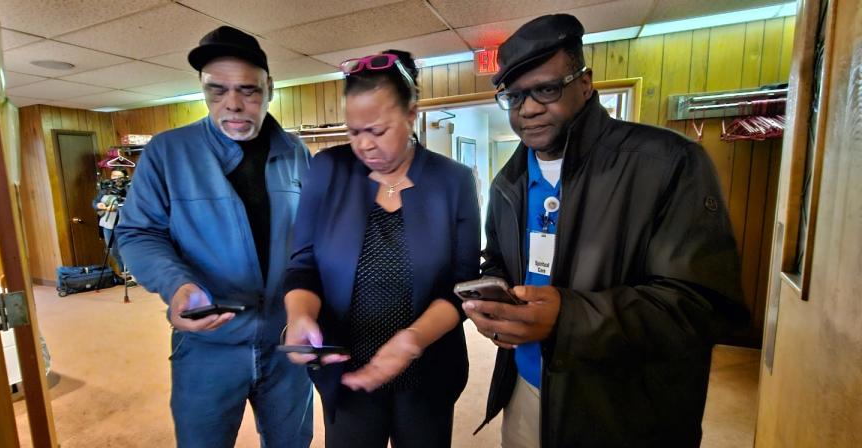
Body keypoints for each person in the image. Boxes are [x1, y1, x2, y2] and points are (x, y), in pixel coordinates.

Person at [463, 14, 749, 447]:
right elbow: (500, 260)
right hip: (524, 391)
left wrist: (567, 317)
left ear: (585, 83)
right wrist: (496, 304)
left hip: (622, 413)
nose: (529, 108)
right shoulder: (509, 182)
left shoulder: (668, 164)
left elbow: (701, 307)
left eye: (546, 89)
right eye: (515, 96)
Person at [116, 26, 313, 448]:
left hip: (285, 342)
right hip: (208, 345)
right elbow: (137, 232)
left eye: (248, 90)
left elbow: (312, 240)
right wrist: (177, 285)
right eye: (216, 90)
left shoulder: (296, 152)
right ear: (202, 89)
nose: (234, 104)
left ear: (270, 88)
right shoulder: (167, 152)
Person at [282, 50, 480, 448]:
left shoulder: (453, 181)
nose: (364, 145)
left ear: (411, 115)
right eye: (354, 131)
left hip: (428, 367)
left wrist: (412, 341)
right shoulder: (328, 169)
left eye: (378, 130)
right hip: (348, 366)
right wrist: (300, 317)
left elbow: (463, 285)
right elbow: (303, 263)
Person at [94, 168, 128, 273]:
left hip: (125, 224)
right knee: (113, 251)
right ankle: (123, 272)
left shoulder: (129, 188)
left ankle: (131, 274)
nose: (116, 178)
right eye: (114, 176)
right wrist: (98, 205)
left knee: (126, 249)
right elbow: (95, 202)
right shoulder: (106, 189)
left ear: (125, 178)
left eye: (119, 176)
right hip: (108, 224)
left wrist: (117, 208)